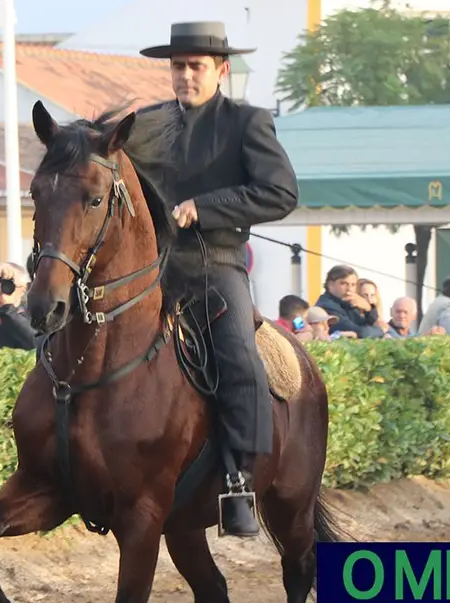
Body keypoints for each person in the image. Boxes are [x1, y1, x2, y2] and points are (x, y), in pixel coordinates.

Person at [136, 22, 300, 537]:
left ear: (220, 70)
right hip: (150, 268)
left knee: (239, 360)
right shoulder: (143, 124)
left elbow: (279, 193)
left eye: (195, 67)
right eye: (178, 66)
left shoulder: (246, 122)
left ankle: (240, 481)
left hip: (215, 265)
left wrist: (204, 208)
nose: (184, 76)